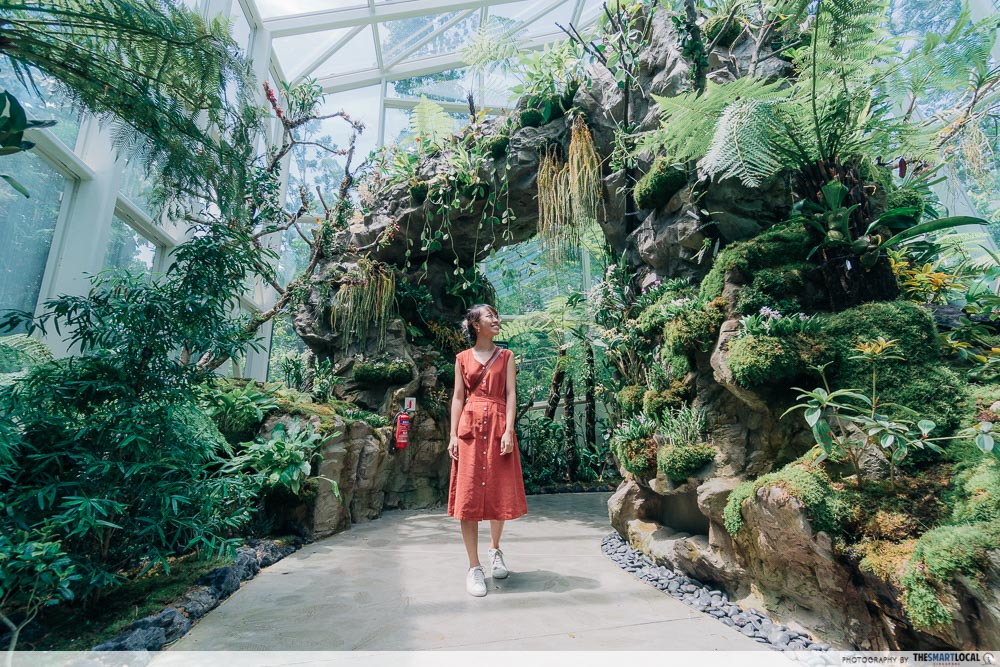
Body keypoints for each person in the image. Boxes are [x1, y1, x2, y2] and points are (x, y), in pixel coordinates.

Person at [448, 303, 528, 597]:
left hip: (497, 427)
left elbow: (511, 394)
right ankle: (474, 566)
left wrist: (509, 430)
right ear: (475, 325)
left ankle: (495, 550)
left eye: (496, 316)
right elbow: (458, 397)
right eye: (489, 316)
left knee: (498, 490)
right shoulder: (462, 359)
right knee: (467, 497)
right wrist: (453, 435)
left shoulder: (506, 356)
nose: (496, 319)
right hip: (469, 429)